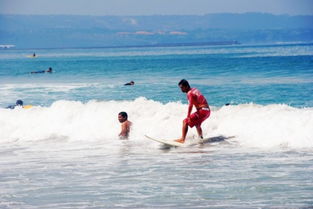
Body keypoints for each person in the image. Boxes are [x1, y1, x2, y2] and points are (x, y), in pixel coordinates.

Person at [175, 79, 211, 143]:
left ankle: (182, 139)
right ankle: (201, 139)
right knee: (197, 124)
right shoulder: (194, 89)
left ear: (186, 86)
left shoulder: (189, 93)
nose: (181, 90)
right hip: (207, 111)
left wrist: (188, 116)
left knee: (185, 121)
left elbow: (190, 105)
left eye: (182, 88)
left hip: (202, 111)